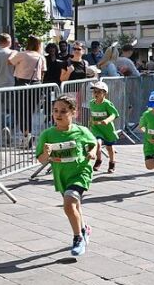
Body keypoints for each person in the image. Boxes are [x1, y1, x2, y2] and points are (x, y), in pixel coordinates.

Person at [35, 95, 97, 257]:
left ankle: (78, 238)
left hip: (80, 173)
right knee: (75, 206)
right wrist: (47, 154)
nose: (58, 115)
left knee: (69, 204)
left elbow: (94, 143)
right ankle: (84, 229)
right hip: (62, 176)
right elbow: (41, 160)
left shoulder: (81, 131)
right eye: (55, 111)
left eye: (63, 111)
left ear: (74, 113)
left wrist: (91, 153)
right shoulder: (47, 135)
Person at [88, 80, 119, 174]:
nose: (96, 94)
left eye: (99, 92)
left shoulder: (107, 104)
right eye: (94, 92)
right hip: (96, 128)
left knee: (110, 147)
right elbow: (93, 115)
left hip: (107, 129)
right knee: (97, 143)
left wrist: (107, 120)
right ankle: (99, 160)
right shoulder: (91, 103)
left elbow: (114, 114)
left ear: (104, 93)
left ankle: (112, 162)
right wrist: (90, 121)